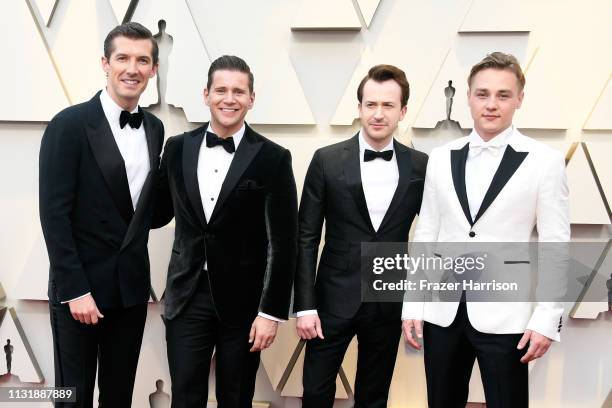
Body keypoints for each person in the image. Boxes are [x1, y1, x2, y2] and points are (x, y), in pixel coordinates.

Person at [402, 52, 569, 408]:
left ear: (519, 99)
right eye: (482, 94)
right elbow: (427, 232)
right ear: (468, 96)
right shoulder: (441, 157)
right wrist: (412, 303)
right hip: (442, 313)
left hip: (507, 315)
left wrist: (547, 316)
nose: (491, 104)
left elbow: (556, 244)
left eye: (503, 95)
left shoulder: (545, 162)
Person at [154, 55, 298, 407]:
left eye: (238, 91)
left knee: (236, 398)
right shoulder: (176, 148)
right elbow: (155, 212)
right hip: (187, 295)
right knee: (185, 397)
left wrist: (270, 313)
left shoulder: (274, 158)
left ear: (251, 98)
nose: (229, 98)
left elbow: (284, 242)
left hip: (245, 303)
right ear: (206, 95)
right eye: (221, 90)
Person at [39, 22, 164, 407]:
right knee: (71, 398)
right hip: (80, 290)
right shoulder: (69, 124)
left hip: (129, 291)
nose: (132, 68)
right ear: (105, 64)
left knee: (118, 396)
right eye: (123, 58)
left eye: (142, 60)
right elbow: (54, 215)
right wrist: (75, 290)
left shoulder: (155, 129)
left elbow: (146, 213)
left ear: (153, 70)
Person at [294, 64, 428, 408]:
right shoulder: (326, 160)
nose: (378, 114)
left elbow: (431, 235)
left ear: (403, 111)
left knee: (374, 397)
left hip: (387, 299)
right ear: (359, 108)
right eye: (371, 104)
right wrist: (305, 305)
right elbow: (306, 237)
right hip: (330, 300)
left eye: (388, 105)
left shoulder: (421, 165)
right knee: (316, 394)